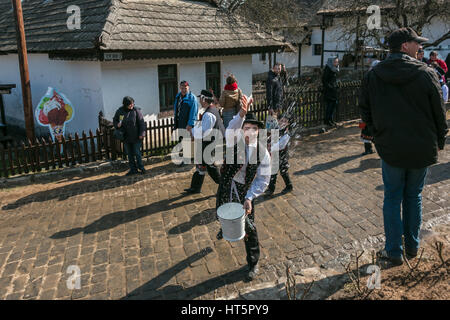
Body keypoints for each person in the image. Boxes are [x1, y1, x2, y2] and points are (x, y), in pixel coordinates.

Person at [360, 27, 448, 266]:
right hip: (421, 146)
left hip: (391, 147)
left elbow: (364, 108)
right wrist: (440, 140)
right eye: (416, 43)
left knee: (392, 197)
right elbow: (440, 112)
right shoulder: (426, 73)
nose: (420, 47)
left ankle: (394, 251)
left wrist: (374, 134)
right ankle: (411, 247)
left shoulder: (374, 75)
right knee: (413, 196)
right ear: (404, 46)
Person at [216, 97, 271, 281]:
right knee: (221, 211)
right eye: (246, 128)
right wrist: (241, 113)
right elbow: (231, 128)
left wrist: (249, 197)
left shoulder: (262, 152)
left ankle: (253, 262)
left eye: (253, 129)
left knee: (249, 227)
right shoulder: (234, 139)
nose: (249, 132)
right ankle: (224, 227)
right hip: (227, 184)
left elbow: (263, 180)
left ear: (258, 131)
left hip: (245, 190)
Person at [184, 90, 225, 194]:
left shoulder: (209, 114)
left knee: (210, 167)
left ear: (204, 99)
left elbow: (205, 132)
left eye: (200, 99)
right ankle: (195, 188)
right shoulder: (210, 110)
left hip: (209, 143)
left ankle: (224, 186)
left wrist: (192, 131)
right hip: (208, 142)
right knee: (200, 165)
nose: (199, 101)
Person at [113, 96, 147, 176]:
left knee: (137, 153)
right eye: (130, 104)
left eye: (132, 103)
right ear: (125, 104)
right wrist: (117, 124)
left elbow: (142, 123)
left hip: (136, 137)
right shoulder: (120, 111)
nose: (132, 105)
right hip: (126, 137)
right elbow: (115, 120)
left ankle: (141, 168)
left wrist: (142, 134)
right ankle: (133, 169)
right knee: (130, 154)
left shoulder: (136, 110)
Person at [264, 109, 293, 196]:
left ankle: (289, 186)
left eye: (285, 121)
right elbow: (270, 137)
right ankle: (271, 188)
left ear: (288, 123)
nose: (283, 122)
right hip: (275, 155)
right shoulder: (276, 129)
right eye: (281, 120)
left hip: (283, 155)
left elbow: (281, 144)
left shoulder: (287, 133)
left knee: (283, 171)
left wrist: (270, 148)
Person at [174, 81, 199, 165]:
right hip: (179, 122)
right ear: (180, 88)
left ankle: (187, 160)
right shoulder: (178, 97)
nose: (183, 89)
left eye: (185, 87)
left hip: (187, 123)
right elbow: (176, 110)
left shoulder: (192, 98)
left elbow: (194, 112)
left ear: (188, 87)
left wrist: (190, 124)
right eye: (182, 87)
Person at [322, 56, 340, 126]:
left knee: (333, 105)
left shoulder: (334, 69)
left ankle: (331, 119)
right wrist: (330, 87)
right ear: (331, 62)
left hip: (333, 90)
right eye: (335, 62)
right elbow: (324, 80)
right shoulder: (328, 69)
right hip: (329, 91)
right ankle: (327, 120)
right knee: (330, 106)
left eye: (337, 61)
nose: (337, 63)